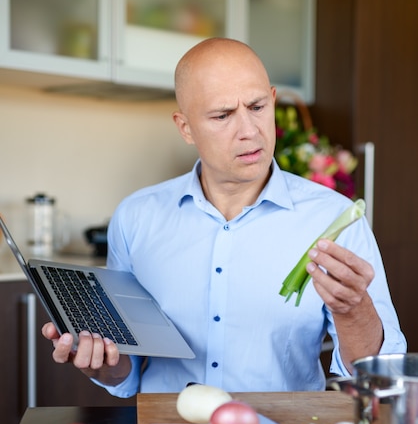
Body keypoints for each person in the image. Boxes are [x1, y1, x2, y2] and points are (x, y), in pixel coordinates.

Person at [42, 38, 406, 396]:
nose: (249, 131)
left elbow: (381, 376)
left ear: (274, 101)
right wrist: (103, 364)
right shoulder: (136, 218)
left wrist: (355, 312)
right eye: (222, 115)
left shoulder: (335, 219)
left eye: (257, 107)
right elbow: (126, 369)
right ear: (185, 127)